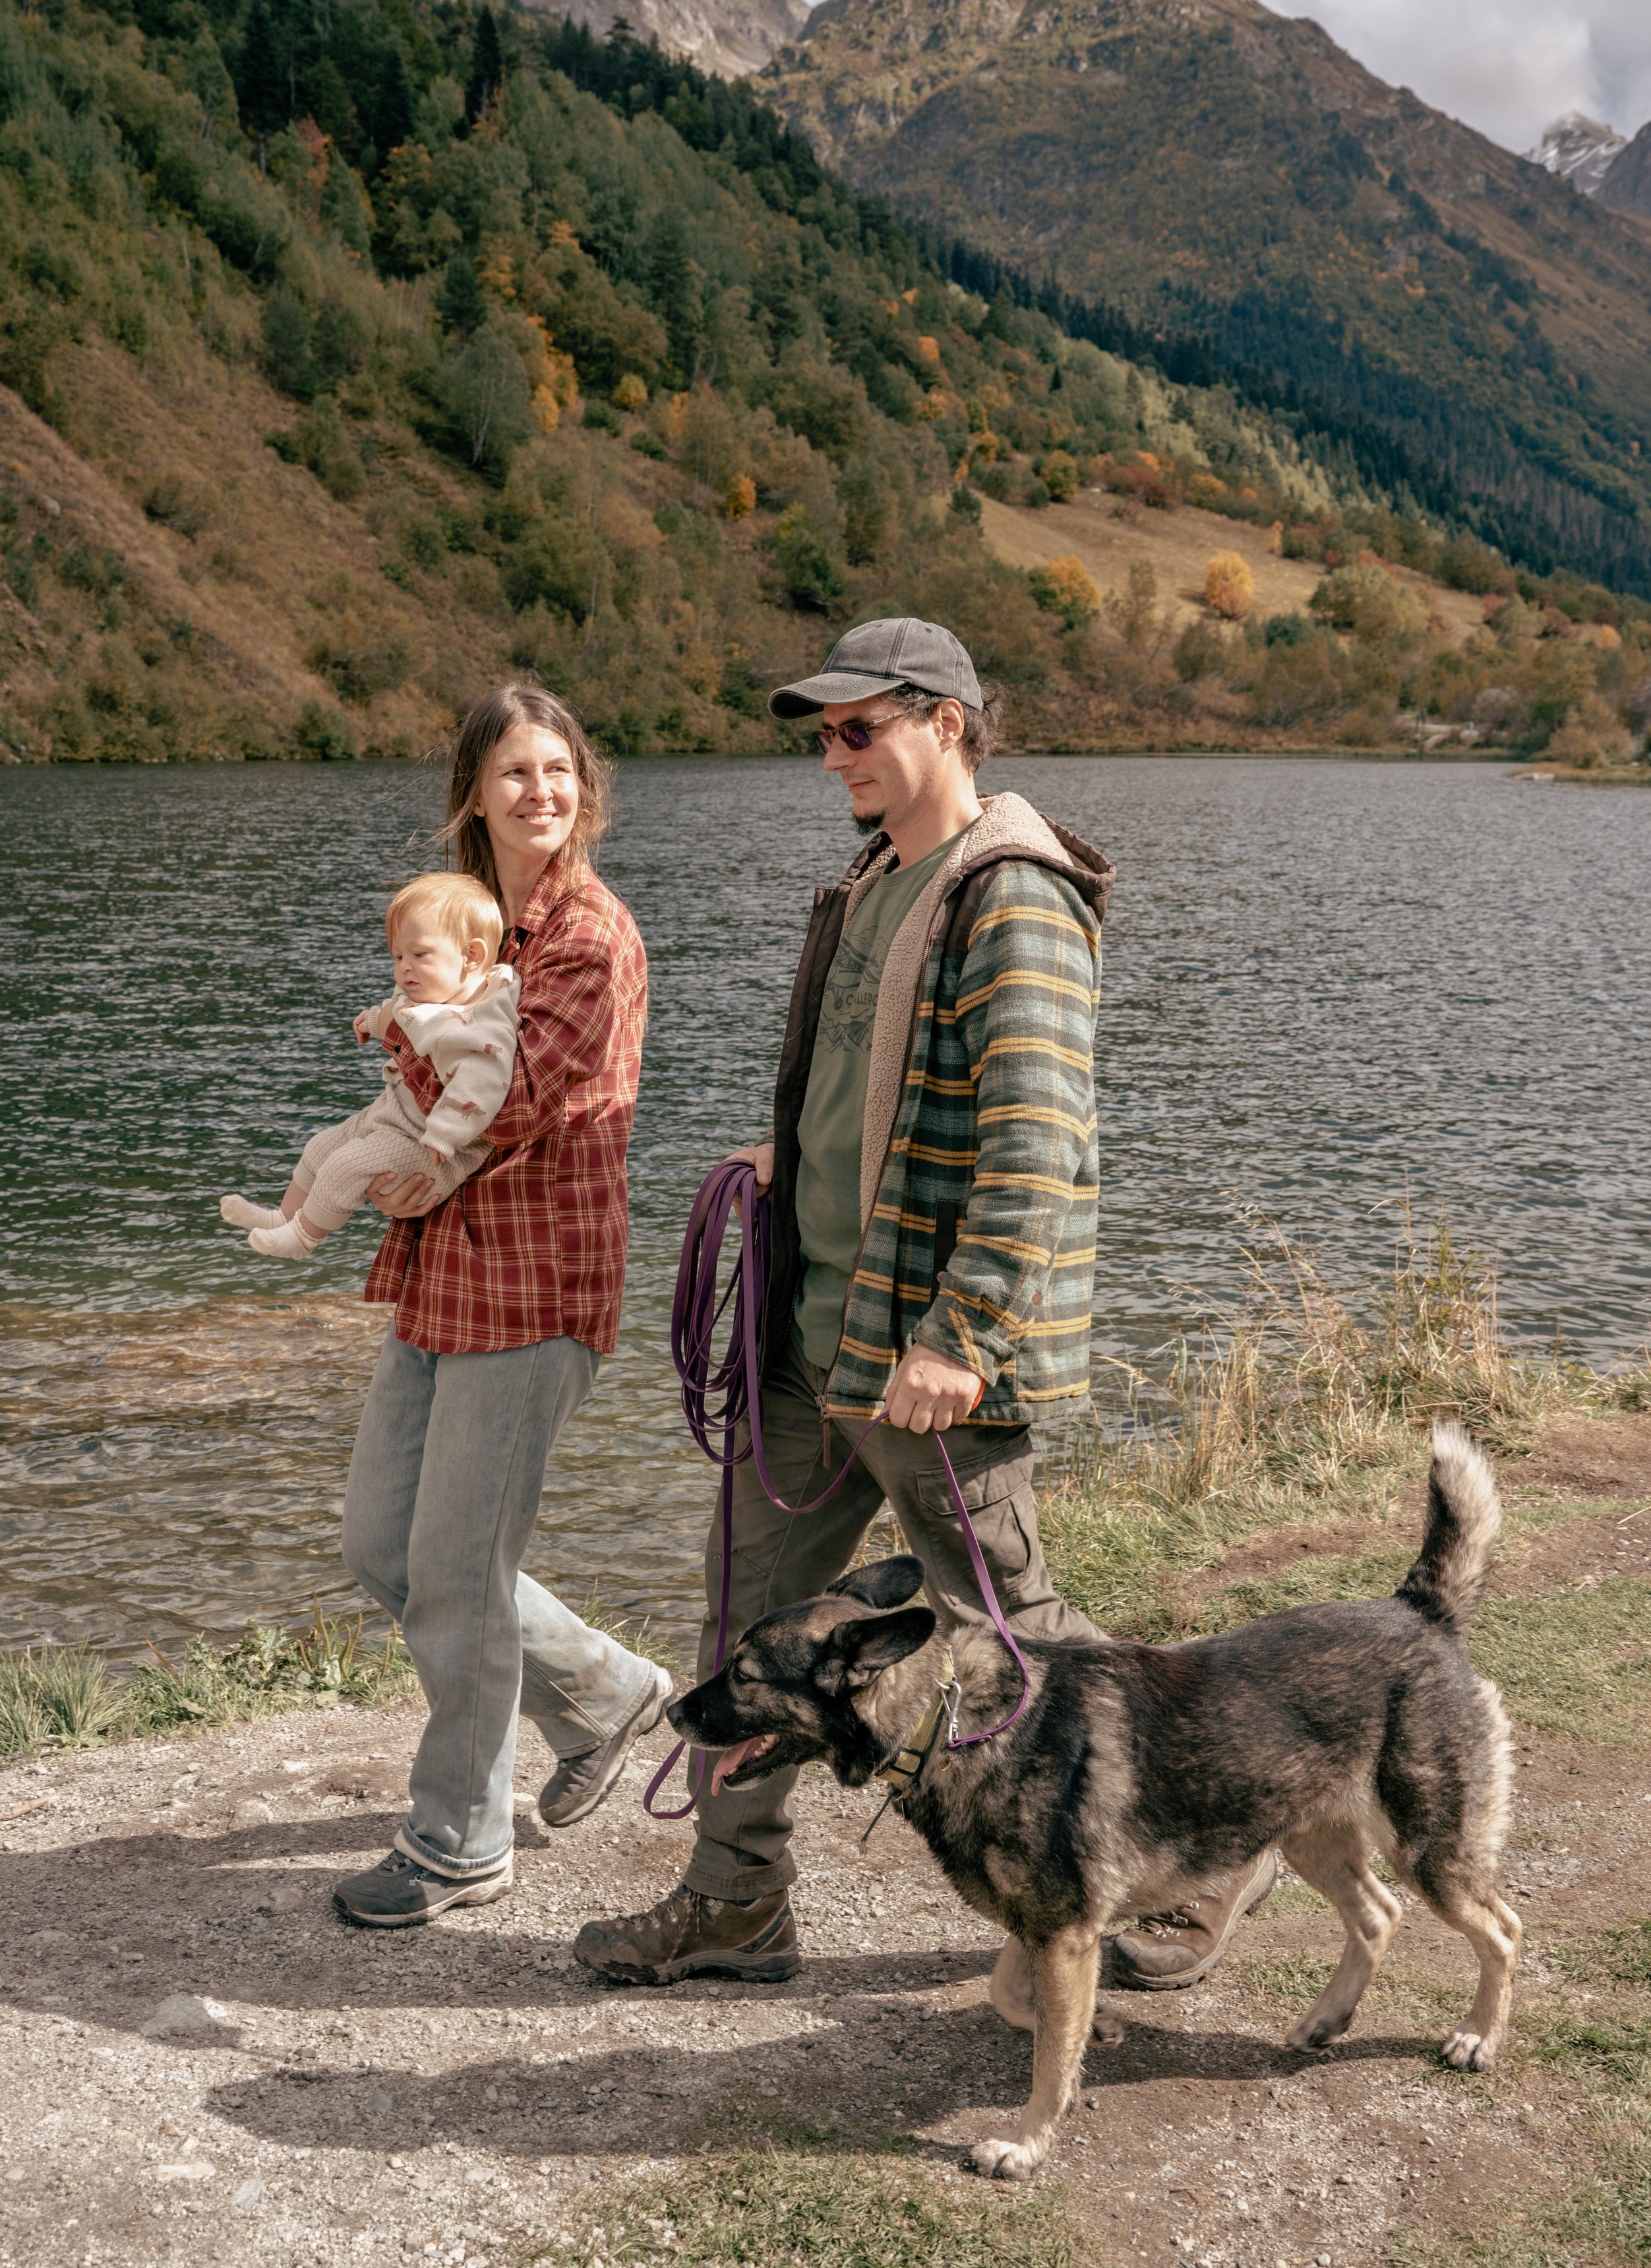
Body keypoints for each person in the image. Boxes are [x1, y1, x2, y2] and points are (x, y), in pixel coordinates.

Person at [574, 617, 1276, 2011]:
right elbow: (880, 1094)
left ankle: (1196, 1867)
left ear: (946, 721)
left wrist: (961, 1334)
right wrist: (795, 1159)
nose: (829, 755)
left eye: (856, 728)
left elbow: (1033, 1144)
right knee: (754, 1626)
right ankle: (735, 1906)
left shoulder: (1010, 891)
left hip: (921, 1349)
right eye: (819, 733)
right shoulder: (871, 879)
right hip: (812, 1331)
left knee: (1018, 1633)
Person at [331, 682, 673, 1928]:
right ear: (474, 792)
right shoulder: (475, 927)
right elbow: (432, 1087)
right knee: (387, 1545)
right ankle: (606, 1692)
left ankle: (458, 1841)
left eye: (561, 771)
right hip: (444, 1264)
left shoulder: (588, 935)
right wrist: (401, 1158)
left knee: (461, 1575)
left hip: (536, 1279)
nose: (542, 792)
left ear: (584, 790)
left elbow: (508, 1094)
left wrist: (400, 1124)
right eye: (516, 773)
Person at [219, 872, 518, 1261]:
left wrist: (444, 1136)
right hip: (394, 1112)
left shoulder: (482, 1022)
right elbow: (407, 1016)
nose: (403, 969)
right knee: (321, 1147)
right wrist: (377, 1022)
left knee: (348, 1165)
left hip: (433, 1144)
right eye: (397, 957)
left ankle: (304, 1239)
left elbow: (482, 1082)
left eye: (419, 955)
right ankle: (284, 1218)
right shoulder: (443, 989)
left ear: (472, 956)